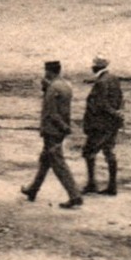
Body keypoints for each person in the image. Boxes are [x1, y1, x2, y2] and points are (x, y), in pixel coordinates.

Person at [22, 60, 84, 209]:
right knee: (45, 160)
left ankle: (74, 195)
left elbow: (52, 113)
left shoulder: (52, 88)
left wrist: (63, 127)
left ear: (49, 71)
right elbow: (63, 108)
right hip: (60, 130)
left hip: (52, 131)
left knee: (58, 163)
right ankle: (33, 189)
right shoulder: (66, 86)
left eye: (46, 71)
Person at [80, 56, 124, 196]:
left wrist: (114, 113)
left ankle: (92, 184)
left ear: (97, 67)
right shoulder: (113, 78)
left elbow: (102, 104)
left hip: (100, 125)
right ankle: (112, 186)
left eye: (93, 66)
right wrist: (118, 113)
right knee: (109, 151)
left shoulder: (101, 82)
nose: (91, 67)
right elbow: (120, 99)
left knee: (88, 152)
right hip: (112, 125)